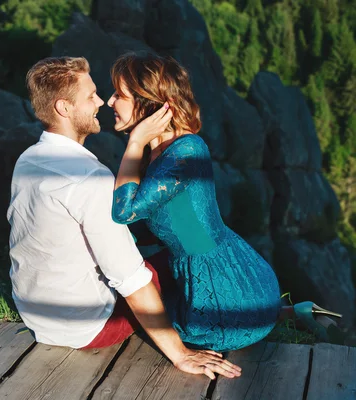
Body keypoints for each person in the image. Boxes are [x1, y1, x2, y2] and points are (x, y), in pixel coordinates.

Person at [7, 56, 241, 380]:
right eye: (91, 96)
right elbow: (132, 281)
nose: (101, 101)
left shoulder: (29, 159)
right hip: (85, 328)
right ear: (63, 108)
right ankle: (241, 316)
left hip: (36, 312)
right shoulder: (89, 180)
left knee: (172, 247)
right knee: (174, 262)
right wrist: (181, 356)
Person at [107, 52, 342, 350]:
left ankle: (283, 315)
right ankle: (294, 313)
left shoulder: (187, 151)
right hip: (192, 271)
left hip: (221, 286)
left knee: (149, 323)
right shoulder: (157, 155)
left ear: (148, 101)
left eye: (119, 94)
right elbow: (139, 225)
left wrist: (136, 141)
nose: (109, 102)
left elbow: (125, 211)